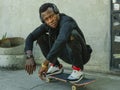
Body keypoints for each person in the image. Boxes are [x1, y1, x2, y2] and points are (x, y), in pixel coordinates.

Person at [24, 3, 92, 83]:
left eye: (52, 16)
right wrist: (29, 56)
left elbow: (62, 40)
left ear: (57, 12)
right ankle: (56, 66)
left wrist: (45, 64)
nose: (50, 20)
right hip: (66, 54)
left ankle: (78, 69)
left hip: (82, 56)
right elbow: (30, 37)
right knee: (40, 37)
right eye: (46, 19)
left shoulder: (67, 21)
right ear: (44, 21)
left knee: (71, 35)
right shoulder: (47, 25)